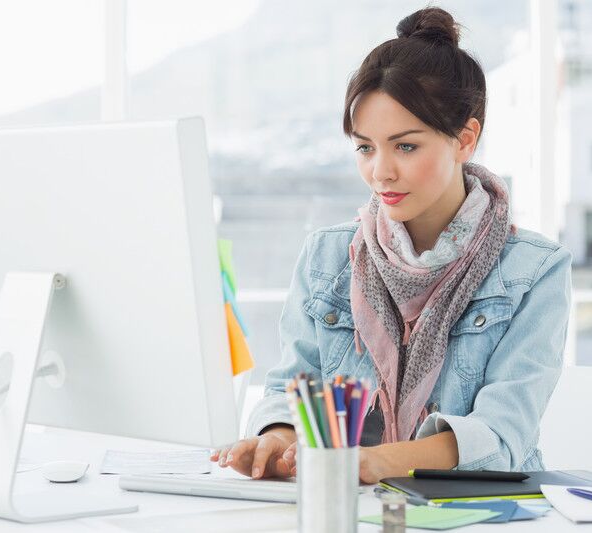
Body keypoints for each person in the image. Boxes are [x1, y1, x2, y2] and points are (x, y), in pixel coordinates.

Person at [210, 6, 571, 484]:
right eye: (365, 147)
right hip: (349, 508)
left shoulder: (534, 271)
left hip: (479, 512)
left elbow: (503, 436)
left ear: (465, 139)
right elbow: (292, 388)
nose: (380, 172)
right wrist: (278, 438)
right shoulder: (327, 257)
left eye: (405, 146)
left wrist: (377, 462)